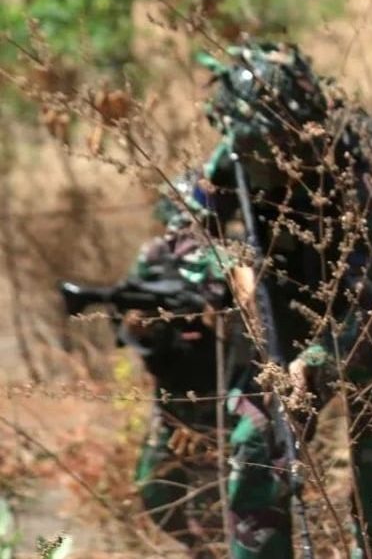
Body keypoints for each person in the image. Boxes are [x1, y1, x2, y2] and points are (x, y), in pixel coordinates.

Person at [197, 41, 372, 558]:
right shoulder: (237, 149)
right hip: (284, 316)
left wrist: (318, 361)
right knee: (256, 456)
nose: (265, 159)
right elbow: (186, 226)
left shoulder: (371, 162)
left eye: (276, 143)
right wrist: (229, 264)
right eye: (255, 147)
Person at [126, 178, 233, 557]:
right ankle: (200, 548)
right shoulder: (155, 255)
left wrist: (214, 317)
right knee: (154, 488)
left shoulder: (227, 262)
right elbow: (137, 319)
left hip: (217, 396)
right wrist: (142, 328)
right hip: (172, 394)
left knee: (213, 502)